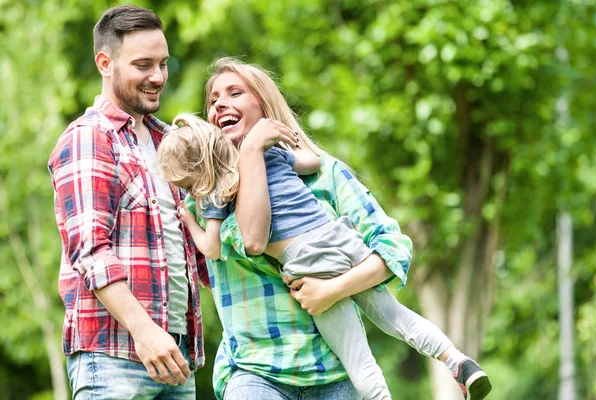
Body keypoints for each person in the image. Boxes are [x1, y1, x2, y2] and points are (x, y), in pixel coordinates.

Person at [156, 57, 492, 400]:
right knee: (396, 320)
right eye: (212, 100)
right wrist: (255, 149)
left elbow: (393, 247)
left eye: (234, 92)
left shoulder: (312, 176)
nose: (220, 103)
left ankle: (454, 362)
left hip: (331, 370)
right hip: (257, 372)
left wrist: (332, 291)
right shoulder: (213, 190)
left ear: (265, 105)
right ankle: (457, 360)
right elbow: (241, 243)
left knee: (362, 362)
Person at [47, 5, 208, 399]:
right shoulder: (90, 137)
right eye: (143, 65)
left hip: (176, 353)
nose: (158, 77)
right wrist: (145, 330)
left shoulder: (167, 141)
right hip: (114, 355)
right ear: (106, 63)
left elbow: (196, 247)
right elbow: (91, 251)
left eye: (163, 64)